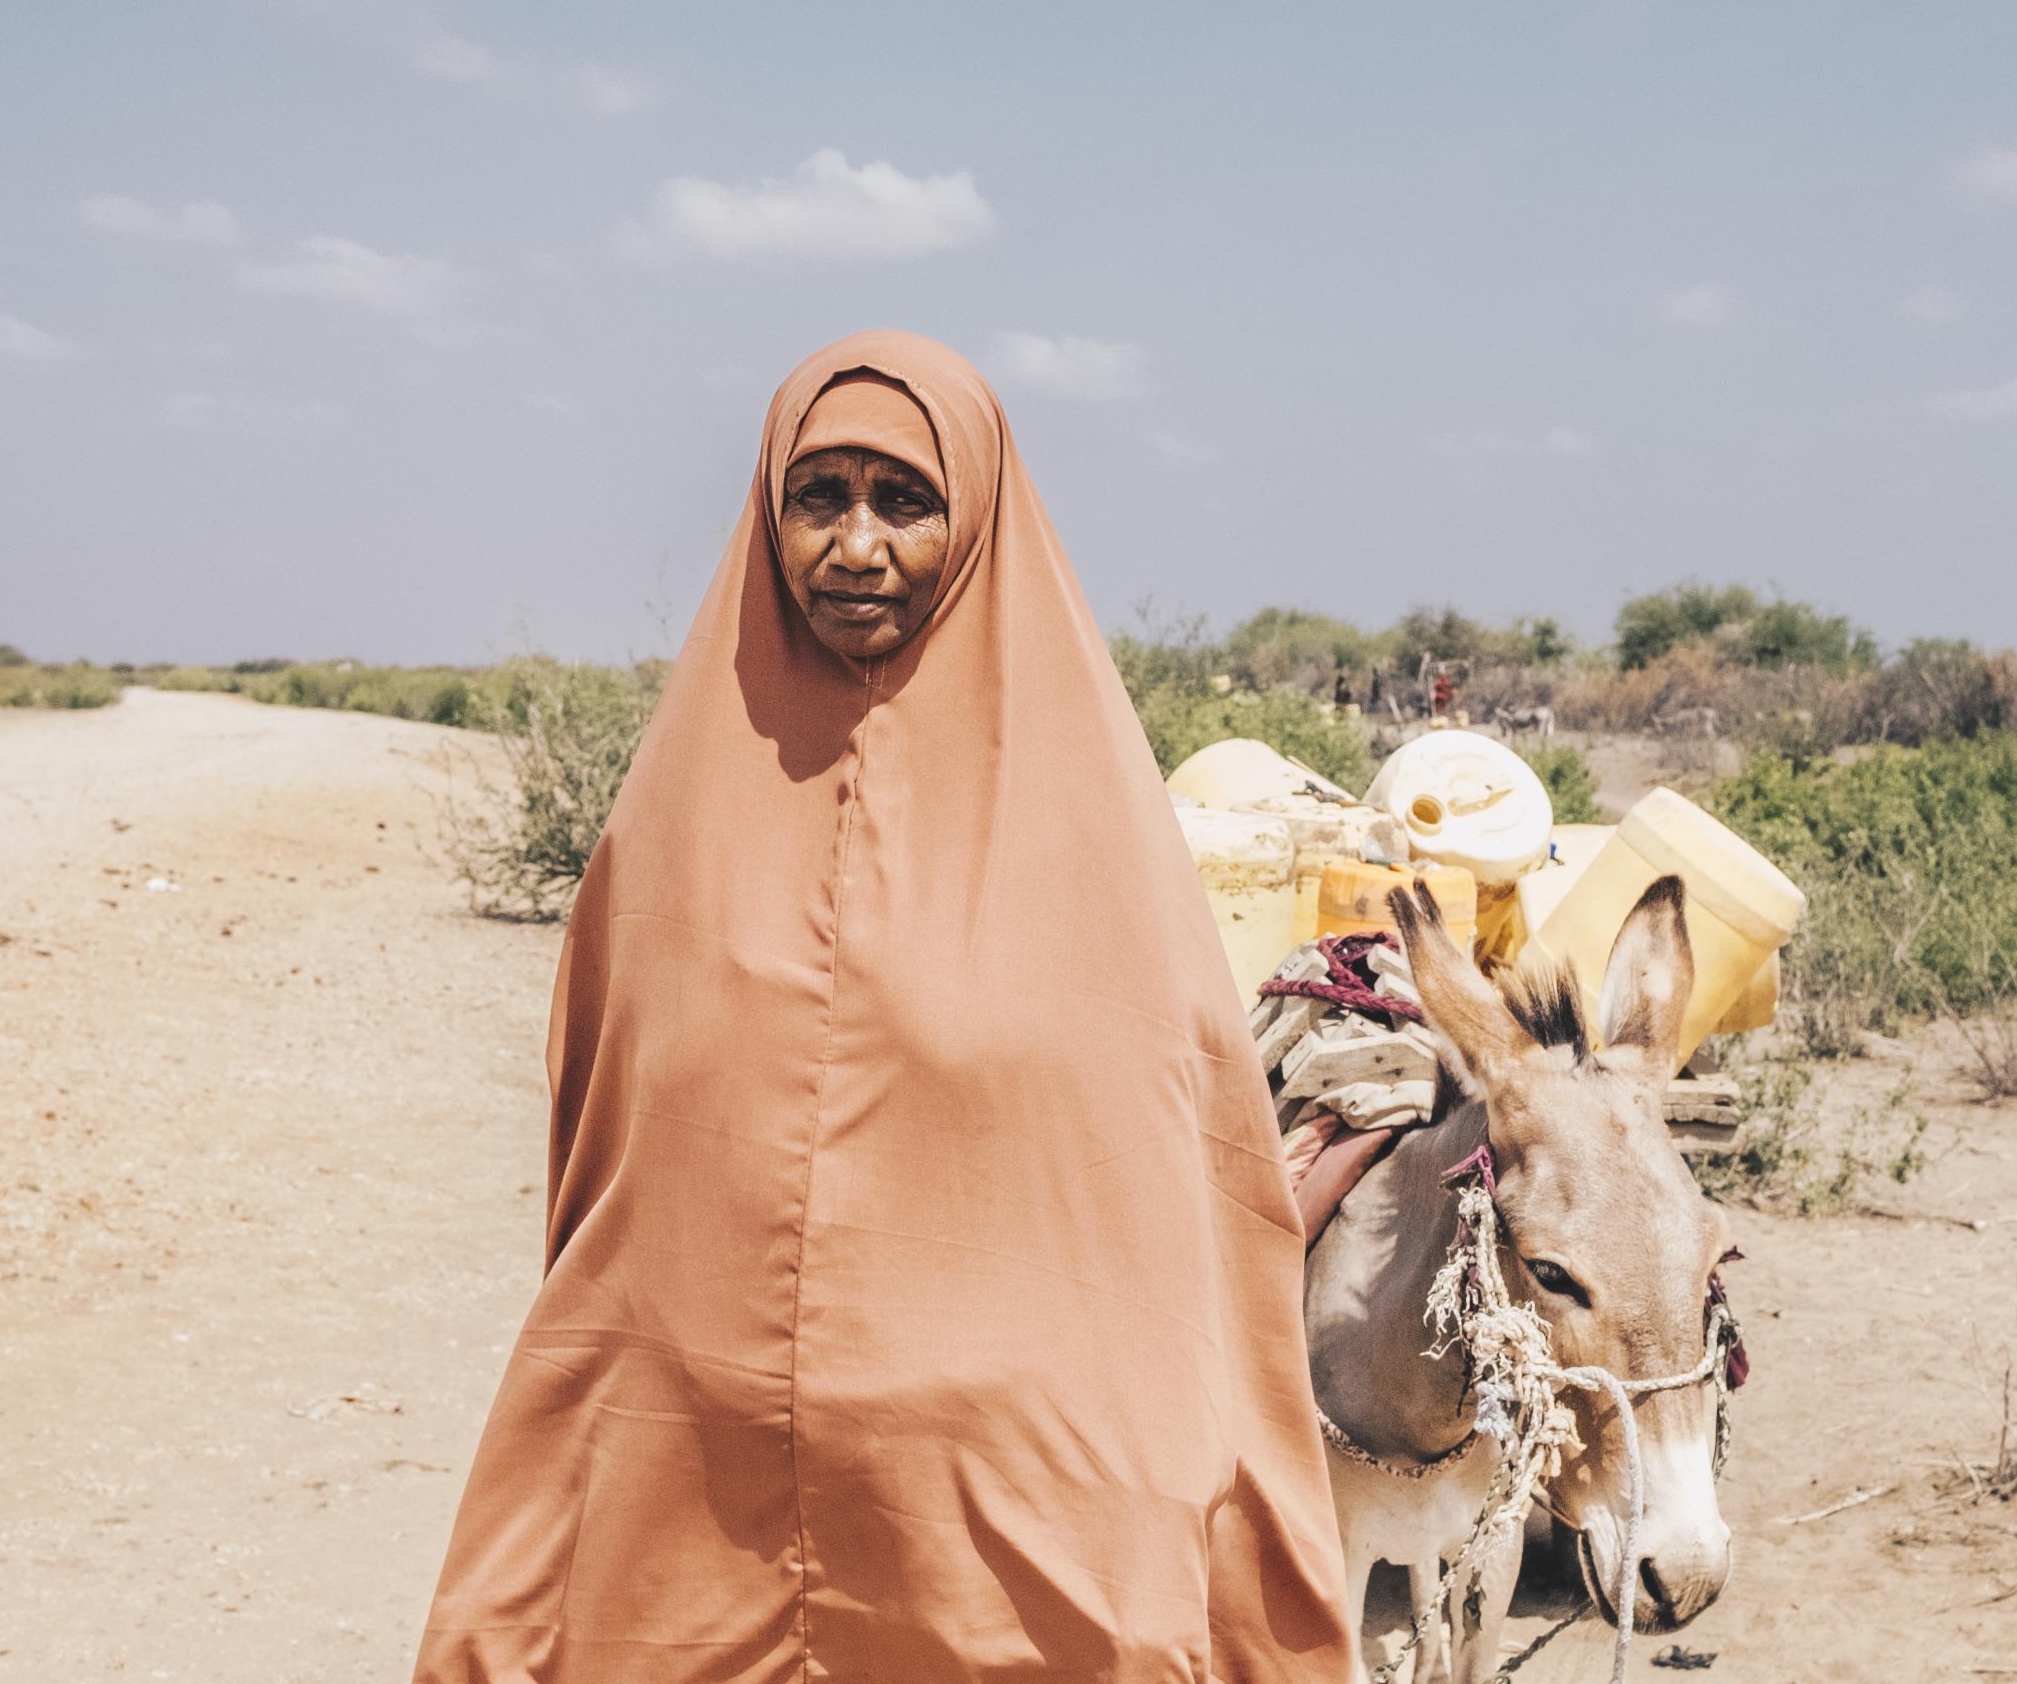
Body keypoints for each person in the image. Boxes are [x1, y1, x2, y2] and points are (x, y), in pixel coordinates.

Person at [414, 331, 1354, 1682]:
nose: (855, 546)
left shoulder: (1095, 834)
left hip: (994, 1476)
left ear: (972, 520)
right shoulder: (674, 815)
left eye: (903, 502)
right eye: (820, 498)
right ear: (768, 515)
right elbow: (604, 1144)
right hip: (698, 1445)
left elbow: (1173, 1181)